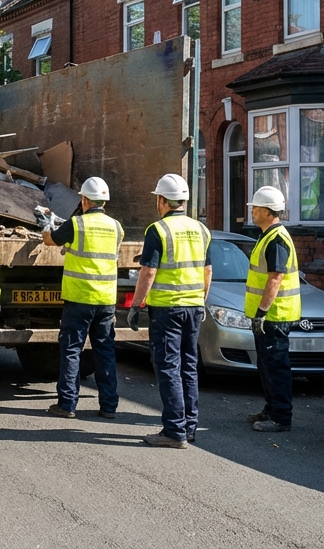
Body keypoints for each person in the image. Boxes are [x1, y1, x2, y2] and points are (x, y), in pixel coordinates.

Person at [127, 174, 211, 448]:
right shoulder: (201, 229)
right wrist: (201, 301)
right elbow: (207, 270)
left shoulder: (158, 230)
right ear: (184, 201)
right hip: (193, 308)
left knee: (168, 367)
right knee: (188, 367)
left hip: (167, 310)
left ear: (162, 200)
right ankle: (188, 427)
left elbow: (149, 270)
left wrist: (137, 304)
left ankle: (174, 431)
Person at [42, 177, 124, 419]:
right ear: (105, 202)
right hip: (106, 299)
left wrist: (46, 226)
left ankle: (67, 405)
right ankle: (109, 406)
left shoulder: (77, 224)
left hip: (79, 298)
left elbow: (50, 240)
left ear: (85, 200)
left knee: (71, 351)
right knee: (105, 351)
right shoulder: (117, 227)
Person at [244, 185, 300, 433]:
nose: (252, 211)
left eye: (255, 208)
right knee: (267, 366)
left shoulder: (276, 239)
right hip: (271, 315)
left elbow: (274, 278)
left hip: (274, 316)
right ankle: (272, 409)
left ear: (268, 211)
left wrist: (262, 312)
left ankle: (280, 417)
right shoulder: (268, 236)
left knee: (275, 367)